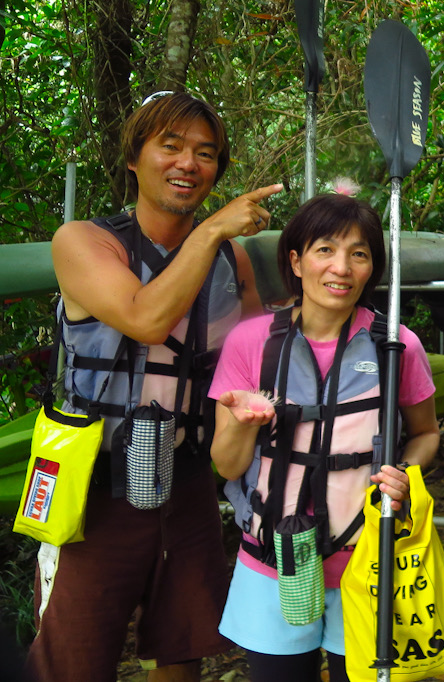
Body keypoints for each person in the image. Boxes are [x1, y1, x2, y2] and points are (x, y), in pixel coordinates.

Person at [26, 92, 284, 681]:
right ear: (134, 158)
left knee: (183, 645)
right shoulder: (85, 242)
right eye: (170, 145)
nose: (188, 163)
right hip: (94, 482)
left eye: (205, 153)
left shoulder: (232, 261)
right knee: (73, 657)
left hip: (187, 475)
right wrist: (214, 228)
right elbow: (144, 318)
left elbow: (247, 362)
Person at [208, 188, 440, 681]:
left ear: (372, 268)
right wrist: (244, 425)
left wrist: (404, 473)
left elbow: (425, 434)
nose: (341, 268)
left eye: (359, 254)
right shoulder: (251, 343)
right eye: (325, 250)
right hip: (274, 560)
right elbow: (226, 467)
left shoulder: (397, 345)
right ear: (296, 261)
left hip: (368, 562)